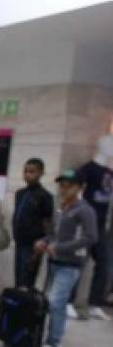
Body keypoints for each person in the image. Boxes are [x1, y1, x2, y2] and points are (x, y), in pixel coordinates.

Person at [34, 169, 98, 347]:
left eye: (69, 185)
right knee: (52, 301)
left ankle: (53, 343)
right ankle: (49, 338)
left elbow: (90, 237)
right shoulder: (62, 208)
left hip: (71, 264)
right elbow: (56, 234)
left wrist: (60, 247)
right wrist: (45, 241)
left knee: (56, 302)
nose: (64, 189)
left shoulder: (84, 210)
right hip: (54, 261)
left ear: (80, 188)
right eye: (62, 185)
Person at [73, 136, 113, 320]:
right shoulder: (87, 170)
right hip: (85, 224)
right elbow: (75, 191)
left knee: (103, 263)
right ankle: (68, 302)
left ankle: (95, 303)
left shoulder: (109, 172)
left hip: (101, 225)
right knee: (78, 263)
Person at [12, 158, 54, 289]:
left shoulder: (45, 196)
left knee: (27, 278)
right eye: (26, 171)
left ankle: (25, 306)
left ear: (41, 173)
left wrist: (44, 242)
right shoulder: (20, 193)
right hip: (19, 241)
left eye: (32, 171)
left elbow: (47, 221)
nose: (28, 174)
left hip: (33, 244)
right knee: (18, 277)